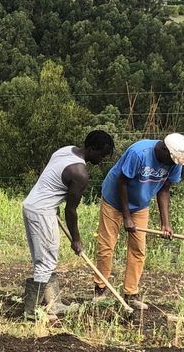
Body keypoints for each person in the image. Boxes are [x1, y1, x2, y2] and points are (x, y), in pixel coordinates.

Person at [20, 130, 114, 319]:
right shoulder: (80, 173)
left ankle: (54, 304)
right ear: (92, 148)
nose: (102, 160)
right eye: (101, 155)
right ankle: (32, 312)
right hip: (42, 212)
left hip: (32, 205)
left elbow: (48, 177)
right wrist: (76, 239)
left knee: (46, 258)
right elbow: (70, 210)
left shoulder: (66, 150)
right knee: (46, 261)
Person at [94, 133, 184, 310]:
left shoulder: (175, 161)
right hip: (114, 200)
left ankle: (131, 294)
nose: (172, 164)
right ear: (162, 149)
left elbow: (164, 189)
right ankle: (100, 290)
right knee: (106, 247)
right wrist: (127, 217)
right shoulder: (139, 153)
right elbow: (122, 182)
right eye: (171, 159)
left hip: (140, 204)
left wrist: (165, 223)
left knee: (138, 249)